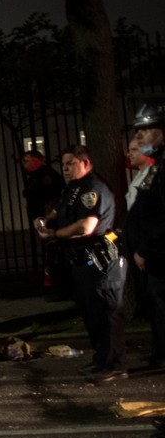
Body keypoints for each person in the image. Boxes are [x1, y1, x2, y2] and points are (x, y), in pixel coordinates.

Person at [35, 145, 127, 382]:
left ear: (85, 162)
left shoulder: (92, 188)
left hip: (100, 260)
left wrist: (54, 235)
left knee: (106, 312)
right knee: (92, 313)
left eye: (71, 163)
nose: (65, 169)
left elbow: (86, 226)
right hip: (82, 261)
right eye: (63, 165)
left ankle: (113, 364)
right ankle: (101, 360)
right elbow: (58, 211)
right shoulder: (73, 189)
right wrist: (45, 220)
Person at [127, 102, 165, 372]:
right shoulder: (158, 166)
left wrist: (146, 248)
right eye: (137, 132)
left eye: (146, 130)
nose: (139, 137)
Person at [20, 149, 66, 295]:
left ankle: (57, 285)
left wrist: (44, 219)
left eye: (26, 161)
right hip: (44, 219)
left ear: (36, 160)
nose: (24, 165)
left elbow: (51, 199)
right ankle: (54, 284)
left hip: (49, 220)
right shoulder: (36, 176)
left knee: (53, 251)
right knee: (50, 251)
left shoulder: (45, 175)